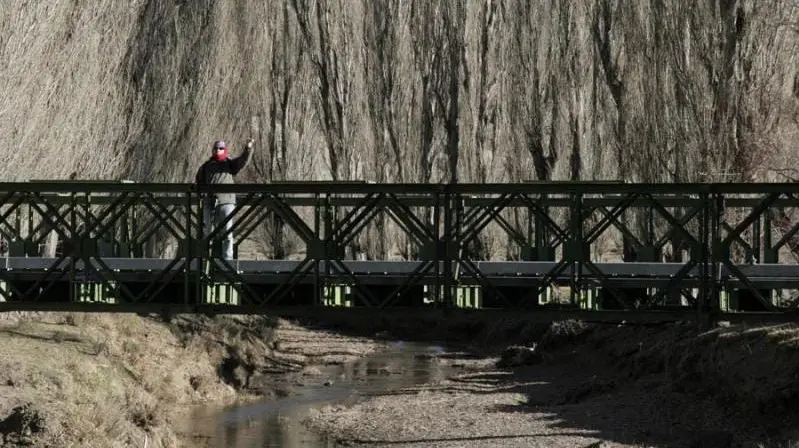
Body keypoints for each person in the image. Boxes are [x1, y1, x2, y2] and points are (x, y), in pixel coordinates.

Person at [195, 139, 253, 260]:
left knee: (227, 233)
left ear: (225, 150)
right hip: (209, 202)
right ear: (212, 150)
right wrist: (200, 195)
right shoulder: (206, 166)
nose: (218, 150)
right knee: (206, 233)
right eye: (216, 148)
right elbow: (198, 183)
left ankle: (227, 260)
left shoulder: (229, 164)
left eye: (221, 148)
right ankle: (205, 259)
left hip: (226, 202)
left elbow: (242, 161)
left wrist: (248, 149)